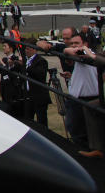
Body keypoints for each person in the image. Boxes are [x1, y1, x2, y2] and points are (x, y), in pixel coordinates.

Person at [39, 28, 104, 157]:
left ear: (85, 44)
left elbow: (67, 50)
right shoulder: (81, 53)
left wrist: (69, 49)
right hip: (77, 97)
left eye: (76, 43)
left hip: (84, 98)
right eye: (71, 42)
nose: (73, 45)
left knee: (77, 129)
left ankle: (87, 155)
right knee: (77, 128)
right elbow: (65, 49)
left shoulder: (87, 53)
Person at [21, 39, 50, 128]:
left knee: (41, 120)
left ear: (34, 49)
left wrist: (26, 67)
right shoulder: (25, 60)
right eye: (25, 49)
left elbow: (40, 74)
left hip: (39, 95)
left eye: (29, 49)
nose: (26, 51)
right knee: (28, 119)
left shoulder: (41, 61)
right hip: (28, 95)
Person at [0, 41, 25, 119]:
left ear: (10, 48)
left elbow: (12, 72)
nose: (3, 48)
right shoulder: (4, 59)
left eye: (5, 46)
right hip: (4, 88)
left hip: (13, 89)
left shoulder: (16, 60)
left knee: (12, 111)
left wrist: (3, 64)